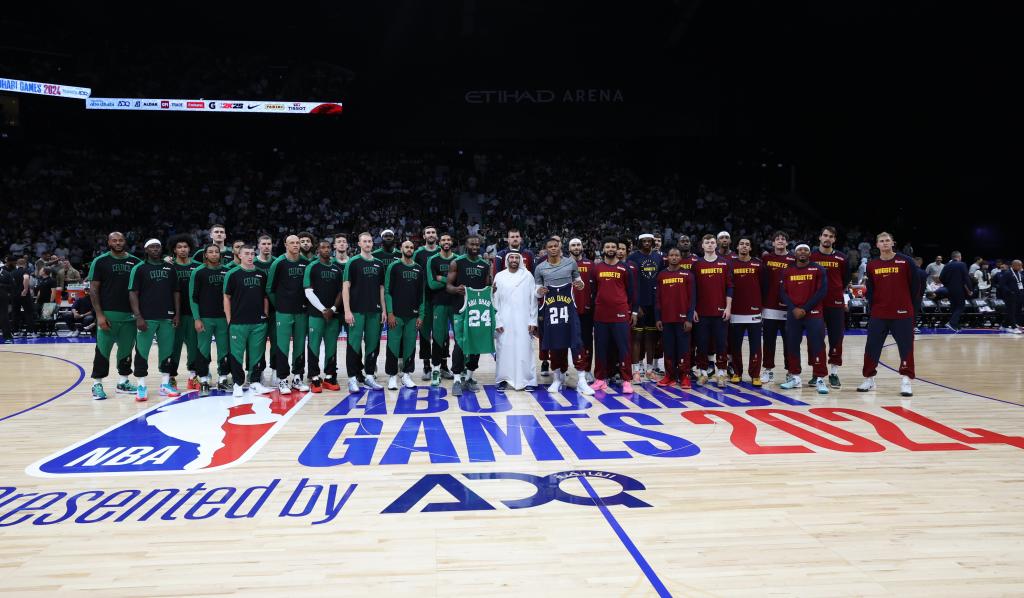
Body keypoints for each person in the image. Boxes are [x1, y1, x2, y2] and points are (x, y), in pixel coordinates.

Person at [857, 232, 919, 397]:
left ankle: (906, 380)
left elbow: (916, 287)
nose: (884, 243)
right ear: (877, 245)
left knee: (906, 347)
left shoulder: (906, 261)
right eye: (881, 241)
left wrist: (910, 307)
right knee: (872, 346)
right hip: (879, 312)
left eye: (887, 241)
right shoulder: (872, 265)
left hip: (903, 312)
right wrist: (873, 307)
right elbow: (870, 291)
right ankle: (869, 378)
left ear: (893, 243)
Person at [88, 232, 142, 400]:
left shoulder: (135, 262)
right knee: (103, 351)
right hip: (108, 315)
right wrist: (99, 315)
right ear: (109, 242)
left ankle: (123, 382)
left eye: (121, 240)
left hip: (130, 316)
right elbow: (93, 289)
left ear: (125, 242)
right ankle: (97, 384)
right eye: (114, 240)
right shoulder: (100, 261)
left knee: (126, 351)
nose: (118, 243)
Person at [534, 236, 592, 395]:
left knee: (577, 344)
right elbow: (537, 291)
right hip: (551, 314)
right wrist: (539, 292)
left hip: (569, 313)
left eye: (555, 246)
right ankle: (558, 379)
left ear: (560, 247)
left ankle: (581, 380)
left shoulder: (571, 263)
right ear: (546, 249)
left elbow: (579, 283)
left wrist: (580, 285)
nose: (553, 248)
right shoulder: (540, 268)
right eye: (550, 246)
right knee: (556, 347)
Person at [128, 239, 181, 401]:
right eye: (152, 247)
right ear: (146, 250)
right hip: (146, 318)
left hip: (167, 316)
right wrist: (138, 317)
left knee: (167, 351)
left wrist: (177, 314)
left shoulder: (170, 268)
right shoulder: (139, 268)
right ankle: (141, 385)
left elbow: (176, 292)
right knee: (142, 352)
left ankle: (165, 384)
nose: (156, 249)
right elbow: (133, 293)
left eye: (158, 246)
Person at [778, 243, 829, 394]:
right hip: (794, 314)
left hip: (813, 314)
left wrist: (805, 309)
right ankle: (795, 377)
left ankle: (820, 379)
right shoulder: (788, 270)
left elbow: (822, 291)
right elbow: (783, 292)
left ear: (809, 253)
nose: (802, 252)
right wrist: (793, 308)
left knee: (817, 345)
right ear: (795, 253)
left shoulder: (818, 269)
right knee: (792, 344)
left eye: (805, 250)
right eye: (799, 249)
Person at [446, 234, 493, 396]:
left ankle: (470, 377)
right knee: (460, 345)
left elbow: (488, 286)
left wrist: (492, 289)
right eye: (471, 244)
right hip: (460, 309)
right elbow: (448, 286)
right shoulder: (456, 262)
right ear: (465, 245)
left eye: (477, 244)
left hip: (478, 310)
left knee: (476, 344)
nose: (475, 246)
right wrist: (455, 289)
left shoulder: (484, 264)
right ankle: (457, 379)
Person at [223, 245, 271, 398]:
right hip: (238, 323)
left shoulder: (261, 274)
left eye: (252, 253)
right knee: (236, 355)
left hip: (258, 322)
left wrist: (265, 315)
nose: (250, 256)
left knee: (257, 354)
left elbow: (265, 297)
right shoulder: (232, 274)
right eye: (247, 254)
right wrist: (230, 320)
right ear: (240, 255)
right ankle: (238, 384)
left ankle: (255, 382)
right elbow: (226, 297)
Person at [590, 237, 637, 394]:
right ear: (603, 249)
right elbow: (594, 291)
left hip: (620, 313)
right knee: (601, 347)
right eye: (607, 246)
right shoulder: (596, 268)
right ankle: (600, 379)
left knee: (624, 347)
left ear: (617, 249)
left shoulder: (625, 269)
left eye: (613, 247)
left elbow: (631, 293)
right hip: (601, 313)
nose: (610, 249)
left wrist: (632, 311)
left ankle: (626, 380)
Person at [343, 232, 386, 392]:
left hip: (374, 311)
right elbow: (345, 287)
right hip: (356, 311)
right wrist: (347, 311)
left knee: (372, 345)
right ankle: (352, 378)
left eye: (370, 241)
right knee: (353, 345)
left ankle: (369, 376)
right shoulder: (353, 262)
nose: (368, 244)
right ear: (359, 244)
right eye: (365, 241)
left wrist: (383, 309)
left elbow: (381, 288)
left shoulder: (379, 264)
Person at [189, 244, 233, 396]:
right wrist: (197, 318)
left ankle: (222, 379)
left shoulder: (227, 271)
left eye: (216, 252)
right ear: (205, 255)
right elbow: (193, 297)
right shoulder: (198, 272)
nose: (214, 254)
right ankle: (203, 380)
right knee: (203, 349)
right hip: (205, 318)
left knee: (224, 349)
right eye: (210, 252)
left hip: (223, 318)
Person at [268, 235, 310, 394]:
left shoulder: (306, 263)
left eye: (297, 243)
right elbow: (269, 289)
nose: (295, 245)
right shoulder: (278, 263)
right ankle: (283, 379)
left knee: (300, 345)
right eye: (292, 243)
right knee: (282, 346)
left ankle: (298, 377)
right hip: (283, 312)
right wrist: (279, 306)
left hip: (301, 311)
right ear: (285, 244)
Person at [810, 226, 850, 388]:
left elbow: (845, 279)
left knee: (836, 338)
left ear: (834, 240)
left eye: (831, 236)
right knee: (815, 339)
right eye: (825, 235)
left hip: (835, 303)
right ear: (820, 237)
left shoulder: (842, 258)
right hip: (816, 304)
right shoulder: (811, 257)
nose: (827, 238)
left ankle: (834, 373)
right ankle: (816, 372)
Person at [383, 240, 425, 390]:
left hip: (412, 316)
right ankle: (392, 376)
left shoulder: (419, 269)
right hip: (397, 315)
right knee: (393, 346)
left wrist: (421, 315)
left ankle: (407, 375)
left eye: (411, 247)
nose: (409, 249)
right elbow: (387, 291)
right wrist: (390, 313)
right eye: (406, 247)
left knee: (410, 346)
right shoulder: (393, 267)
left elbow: (422, 295)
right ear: (401, 249)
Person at [494, 251, 538, 391]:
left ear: (520, 260)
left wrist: (533, 320)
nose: (514, 260)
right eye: (511, 257)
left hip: (524, 320)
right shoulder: (499, 276)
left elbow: (533, 300)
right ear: (507, 260)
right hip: (504, 320)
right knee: (503, 350)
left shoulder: (528, 276)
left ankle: (528, 380)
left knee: (525, 350)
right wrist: (497, 321)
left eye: (516, 258)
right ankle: (502, 379)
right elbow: (495, 301)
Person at [305, 240, 344, 393]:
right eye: (323, 247)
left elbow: (341, 292)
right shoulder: (312, 267)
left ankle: (330, 376)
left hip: (333, 315)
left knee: (331, 347)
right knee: (313, 346)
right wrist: (323, 309)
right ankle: (314, 377)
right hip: (316, 314)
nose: (326, 249)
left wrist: (333, 308)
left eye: (328, 247)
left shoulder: (337, 269)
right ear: (318, 250)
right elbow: (308, 291)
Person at [694, 234, 733, 387]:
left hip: (721, 311)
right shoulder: (697, 265)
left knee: (721, 344)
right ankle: (703, 373)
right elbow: (693, 290)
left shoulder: (725, 263)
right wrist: (694, 310)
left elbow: (730, 287)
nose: (710, 245)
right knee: (702, 344)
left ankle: (722, 373)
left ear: (716, 245)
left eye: (712, 242)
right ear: (702, 246)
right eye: (707, 243)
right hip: (702, 312)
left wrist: (728, 308)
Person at [655, 247, 696, 388]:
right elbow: (658, 299)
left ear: (680, 258)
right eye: (671, 255)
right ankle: (670, 376)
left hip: (683, 319)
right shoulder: (661, 275)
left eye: (676, 255)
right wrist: (658, 318)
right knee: (669, 349)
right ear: (667, 257)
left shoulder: (688, 275)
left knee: (684, 349)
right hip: (666, 319)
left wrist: (689, 318)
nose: (673, 257)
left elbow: (692, 299)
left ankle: (685, 376)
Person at [627, 233, 664, 382]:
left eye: (650, 241)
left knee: (651, 338)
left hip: (654, 303)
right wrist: (636, 305)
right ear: (640, 242)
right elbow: (631, 284)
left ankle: (649, 369)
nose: (647, 243)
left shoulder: (659, 258)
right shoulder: (633, 258)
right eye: (644, 241)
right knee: (636, 337)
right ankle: (636, 370)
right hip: (639, 304)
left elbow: (660, 280)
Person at [760, 231, 796, 385]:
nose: (780, 241)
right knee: (769, 342)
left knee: (790, 342)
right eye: (777, 239)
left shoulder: (793, 259)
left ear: (787, 243)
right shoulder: (766, 258)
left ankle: (791, 371)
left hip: (789, 307)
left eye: (783, 239)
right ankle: (768, 370)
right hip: (769, 307)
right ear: (772, 243)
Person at [167, 234, 201, 391]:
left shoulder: (197, 266)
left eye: (185, 247)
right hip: (174, 314)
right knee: (174, 347)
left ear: (190, 249)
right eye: (179, 247)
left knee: (193, 347)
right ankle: (171, 377)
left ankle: (192, 376)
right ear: (174, 249)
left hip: (192, 313)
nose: (182, 249)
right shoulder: (169, 266)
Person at [728, 238, 763, 385]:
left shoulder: (758, 264)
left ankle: (755, 374)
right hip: (735, 311)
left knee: (755, 345)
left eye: (747, 244)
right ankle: (737, 372)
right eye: (741, 243)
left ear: (750, 248)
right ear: (737, 247)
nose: (744, 246)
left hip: (754, 311)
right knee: (735, 345)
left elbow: (764, 286)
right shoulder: (730, 264)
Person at [426, 233, 459, 385]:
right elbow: (432, 284)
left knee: (460, 337)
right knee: (438, 338)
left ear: (452, 242)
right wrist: (451, 281)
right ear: (439, 243)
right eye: (444, 240)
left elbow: (461, 283)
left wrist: (442, 278)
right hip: (438, 304)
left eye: (448, 239)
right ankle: (435, 370)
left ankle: (460, 370)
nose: (446, 242)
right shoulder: (432, 260)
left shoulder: (458, 259)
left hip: (456, 303)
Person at [413, 225, 440, 380]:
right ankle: (426, 366)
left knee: (440, 334)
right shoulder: (418, 254)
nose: (431, 234)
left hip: (440, 298)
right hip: (423, 299)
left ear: (436, 236)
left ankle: (442, 365)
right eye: (428, 232)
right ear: (424, 236)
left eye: (433, 232)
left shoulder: (441, 251)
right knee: (424, 334)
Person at [568, 237, 596, 384]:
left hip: (586, 310)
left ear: (582, 247)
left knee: (586, 341)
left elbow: (596, 288)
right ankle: (564, 369)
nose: (576, 247)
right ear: (569, 248)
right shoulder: (564, 264)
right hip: (568, 309)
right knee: (566, 340)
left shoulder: (590, 265)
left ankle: (587, 370)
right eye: (573, 245)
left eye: (578, 245)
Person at [940, 251, 971, 331]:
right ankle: (951, 323)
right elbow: (966, 278)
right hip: (959, 289)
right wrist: (970, 289)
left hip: (949, 289)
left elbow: (941, 277)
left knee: (954, 307)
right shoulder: (962, 264)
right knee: (961, 305)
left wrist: (947, 285)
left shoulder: (947, 265)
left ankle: (954, 325)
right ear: (959, 257)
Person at [998, 260, 1023, 333]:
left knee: (1014, 311)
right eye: (1019, 265)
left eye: (1021, 265)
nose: (1021, 267)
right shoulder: (1007, 273)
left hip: (1019, 295)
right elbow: (1002, 284)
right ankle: (1013, 327)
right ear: (1014, 265)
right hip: (1010, 296)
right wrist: (1009, 292)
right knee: (1011, 311)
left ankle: (1004, 325)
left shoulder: (1019, 273)